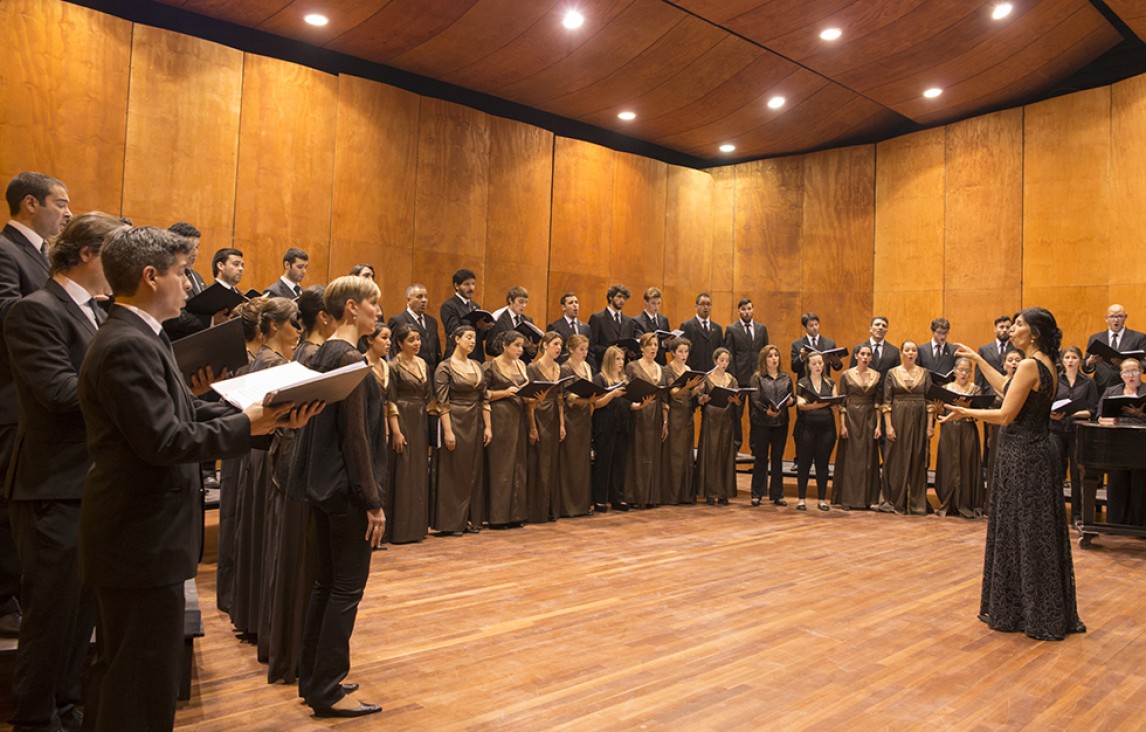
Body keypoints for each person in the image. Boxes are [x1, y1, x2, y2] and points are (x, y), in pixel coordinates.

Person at [78, 227, 314, 731]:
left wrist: (254, 413)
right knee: (136, 675)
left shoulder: (143, 335)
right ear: (150, 276)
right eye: (182, 272)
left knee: (137, 670)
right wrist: (247, 422)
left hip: (145, 534)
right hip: (138, 534)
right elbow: (165, 442)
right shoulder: (127, 344)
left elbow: (182, 413)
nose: (189, 285)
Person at [4, 212, 123, 732]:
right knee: (50, 619)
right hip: (52, 484)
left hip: (89, 482)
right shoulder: (36, 310)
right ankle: (34, 718)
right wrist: (131, 390)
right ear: (89, 253)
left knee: (81, 617)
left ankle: (66, 705)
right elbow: (56, 392)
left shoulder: (95, 313)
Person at [943, 307, 1085, 641]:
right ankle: (1037, 607)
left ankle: (1020, 610)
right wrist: (979, 360)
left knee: (1019, 531)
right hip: (1037, 454)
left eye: (1019, 325)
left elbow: (1006, 414)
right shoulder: (1045, 364)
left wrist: (966, 411)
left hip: (1021, 457)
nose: (1012, 329)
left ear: (1033, 333)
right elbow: (1009, 387)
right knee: (1035, 533)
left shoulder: (1029, 364)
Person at [287, 275, 385, 718]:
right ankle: (328, 689)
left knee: (326, 585)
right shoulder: (349, 359)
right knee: (346, 589)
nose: (378, 312)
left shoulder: (325, 351)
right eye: (373, 304)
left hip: (322, 487)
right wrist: (372, 501)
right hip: (346, 492)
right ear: (351, 308)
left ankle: (315, 679)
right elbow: (356, 439)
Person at [0, 172, 71, 637]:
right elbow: (7, 311)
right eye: (59, 203)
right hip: (13, 397)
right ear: (30, 203)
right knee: (8, 509)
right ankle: (5, 597)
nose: (67, 213)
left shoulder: (40, 255)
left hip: (36, 397)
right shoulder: (5, 251)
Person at [263, 289, 332, 686]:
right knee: (301, 563)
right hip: (301, 470)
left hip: (296, 467)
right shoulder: (310, 356)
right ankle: (295, 657)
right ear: (323, 316)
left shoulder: (305, 353)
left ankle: (293, 653)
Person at [247, 298, 303, 670]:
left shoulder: (272, 360)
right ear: (272, 327)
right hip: (275, 455)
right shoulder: (272, 363)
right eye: (292, 323)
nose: (297, 330)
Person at [433, 325, 491, 534]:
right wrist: (447, 431)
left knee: (473, 469)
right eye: (468, 337)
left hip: (475, 420)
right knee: (454, 470)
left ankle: (470, 518)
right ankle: (451, 522)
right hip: (455, 419)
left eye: (474, 338)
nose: (472, 341)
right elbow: (442, 402)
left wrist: (488, 427)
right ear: (456, 339)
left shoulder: (477, 365)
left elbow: (484, 398)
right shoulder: (445, 367)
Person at [387, 322, 434, 542]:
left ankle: (417, 528)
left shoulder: (423, 363)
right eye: (411, 340)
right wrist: (396, 431)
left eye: (418, 339)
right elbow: (391, 401)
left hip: (420, 417)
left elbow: (428, 395)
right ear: (399, 343)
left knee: (418, 470)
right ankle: (400, 530)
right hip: (403, 416)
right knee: (404, 471)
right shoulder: (393, 366)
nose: (417, 344)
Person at [879, 341, 935, 515]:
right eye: (907, 350)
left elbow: (930, 402)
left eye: (913, 350)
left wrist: (930, 426)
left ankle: (916, 503)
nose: (910, 353)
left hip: (919, 420)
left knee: (918, 457)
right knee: (896, 459)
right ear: (901, 352)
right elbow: (886, 402)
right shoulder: (892, 373)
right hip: (898, 418)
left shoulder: (925, 373)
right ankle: (896, 500)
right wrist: (888, 426)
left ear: (917, 354)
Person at [482, 330, 530, 529]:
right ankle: (498, 516)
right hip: (499, 416)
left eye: (521, 346)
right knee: (501, 465)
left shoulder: (521, 365)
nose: (520, 350)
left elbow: (525, 389)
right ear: (504, 345)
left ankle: (516, 514)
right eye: (516, 345)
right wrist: (504, 392)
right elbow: (482, 393)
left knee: (518, 464)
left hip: (518, 416)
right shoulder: (490, 365)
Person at [1049, 345, 1098, 517]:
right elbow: (1049, 405)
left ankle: (1078, 514)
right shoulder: (1056, 380)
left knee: (1077, 474)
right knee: (1056, 471)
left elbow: (1093, 410)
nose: (1070, 361)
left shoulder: (1089, 382)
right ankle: (1056, 512)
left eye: (1074, 357)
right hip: (1056, 430)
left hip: (1078, 431)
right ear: (1062, 361)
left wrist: (1073, 412)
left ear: (1080, 361)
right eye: (1067, 357)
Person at [1097, 358, 1146, 526]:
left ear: (1141, 372)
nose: (1130, 375)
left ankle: (1140, 525)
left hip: (1142, 444)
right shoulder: (1112, 391)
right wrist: (1108, 421)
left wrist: (1141, 415)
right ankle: (1115, 523)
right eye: (1126, 371)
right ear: (1121, 375)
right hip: (1117, 444)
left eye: (1134, 371)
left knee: (1140, 484)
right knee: (1117, 482)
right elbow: (1099, 417)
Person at [833, 343, 881, 511]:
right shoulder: (846, 375)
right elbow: (842, 403)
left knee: (868, 459)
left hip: (870, 418)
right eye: (863, 354)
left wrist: (879, 426)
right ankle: (848, 499)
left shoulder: (877, 376)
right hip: (852, 417)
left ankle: (869, 499)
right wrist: (843, 425)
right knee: (852, 459)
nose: (866, 357)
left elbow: (878, 403)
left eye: (869, 354)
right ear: (856, 356)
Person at [934, 357, 984, 518]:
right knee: (948, 464)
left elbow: (977, 416)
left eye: (967, 371)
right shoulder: (946, 388)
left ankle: (966, 502)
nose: (964, 373)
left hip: (967, 430)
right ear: (954, 371)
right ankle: (948, 502)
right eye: (961, 370)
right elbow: (940, 415)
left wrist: (967, 409)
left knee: (966, 463)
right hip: (948, 431)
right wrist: (938, 409)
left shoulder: (975, 389)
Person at [526, 332, 566, 522]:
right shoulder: (533, 368)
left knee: (553, 463)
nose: (559, 348)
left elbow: (559, 398)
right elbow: (529, 400)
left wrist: (562, 424)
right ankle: (536, 510)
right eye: (555, 344)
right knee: (538, 462)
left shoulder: (559, 368)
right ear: (545, 345)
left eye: (561, 344)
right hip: (538, 413)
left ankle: (551, 509)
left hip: (553, 416)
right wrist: (532, 427)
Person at [624, 332, 667, 508]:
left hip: (656, 414)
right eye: (649, 345)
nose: (653, 348)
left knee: (653, 453)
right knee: (638, 452)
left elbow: (664, 398)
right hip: (639, 413)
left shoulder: (661, 368)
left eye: (656, 345)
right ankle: (636, 495)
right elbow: (628, 393)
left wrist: (666, 421)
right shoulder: (632, 367)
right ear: (641, 348)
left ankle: (652, 496)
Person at [359, 321, 393, 539]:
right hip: (366, 420)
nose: (388, 342)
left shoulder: (387, 366)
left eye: (390, 338)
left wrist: (390, 429)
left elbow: (389, 402)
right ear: (370, 339)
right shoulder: (360, 363)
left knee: (380, 472)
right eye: (384, 338)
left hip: (382, 422)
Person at [749, 345, 793, 507]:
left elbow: (791, 396)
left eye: (776, 355)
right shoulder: (758, 377)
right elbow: (755, 400)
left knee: (777, 458)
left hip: (780, 422)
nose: (774, 358)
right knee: (761, 458)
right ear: (764, 359)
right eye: (770, 356)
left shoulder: (785, 377)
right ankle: (757, 494)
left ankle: (777, 494)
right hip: (762, 422)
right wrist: (766, 411)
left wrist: (791, 401)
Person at [697, 347, 741, 505]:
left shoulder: (732, 379)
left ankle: (724, 493)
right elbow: (699, 398)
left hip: (726, 420)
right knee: (711, 453)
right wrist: (703, 398)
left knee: (724, 453)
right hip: (711, 419)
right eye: (721, 360)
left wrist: (736, 401)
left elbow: (738, 401)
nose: (724, 363)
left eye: (727, 361)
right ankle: (710, 492)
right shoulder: (707, 377)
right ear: (715, 361)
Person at [663, 337, 703, 505]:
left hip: (687, 412)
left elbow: (688, 395)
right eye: (680, 351)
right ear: (672, 352)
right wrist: (689, 386)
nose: (683, 354)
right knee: (674, 453)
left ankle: (685, 494)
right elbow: (674, 393)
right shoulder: (668, 369)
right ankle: (672, 495)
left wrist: (697, 389)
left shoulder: (688, 368)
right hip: (674, 414)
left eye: (686, 351)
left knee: (686, 453)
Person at [724, 297, 768, 449]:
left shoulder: (761, 329)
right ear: (739, 311)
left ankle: (756, 448)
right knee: (736, 414)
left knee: (757, 415)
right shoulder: (731, 329)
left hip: (758, 379)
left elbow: (765, 353)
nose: (746, 312)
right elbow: (729, 355)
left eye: (749, 308)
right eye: (743, 309)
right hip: (739, 379)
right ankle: (735, 446)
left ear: (753, 309)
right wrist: (733, 379)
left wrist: (764, 376)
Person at [794, 352, 836, 511]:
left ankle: (821, 499)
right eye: (814, 363)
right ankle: (801, 499)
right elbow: (800, 404)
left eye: (820, 363)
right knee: (804, 463)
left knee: (822, 464)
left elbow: (834, 399)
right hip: (807, 427)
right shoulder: (803, 382)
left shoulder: (830, 382)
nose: (818, 366)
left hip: (826, 428)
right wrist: (815, 406)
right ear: (808, 366)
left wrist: (836, 405)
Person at [591, 346, 630, 513]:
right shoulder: (600, 379)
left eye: (622, 359)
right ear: (609, 360)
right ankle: (600, 499)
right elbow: (597, 403)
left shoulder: (625, 380)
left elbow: (629, 403)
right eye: (617, 359)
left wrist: (641, 404)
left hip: (623, 424)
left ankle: (617, 497)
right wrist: (612, 394)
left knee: (619, 463)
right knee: (603, 463)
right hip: (605, 425)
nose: (621, 362)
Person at [559, 334, 594, 517]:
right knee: (570, 461)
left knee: (582, 461)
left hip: (584, 417)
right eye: (581, 349)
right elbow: (566, 395)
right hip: (571, 417)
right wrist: (586, 399)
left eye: (586, 349)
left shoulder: (587, 367)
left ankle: (582, 504)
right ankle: (568, 506)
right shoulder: (565, 368)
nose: (584, 353)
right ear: (571, 349)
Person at [160, 222, 214, 340]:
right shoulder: (166, 274)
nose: (195, 253)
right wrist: (211, 320)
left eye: (197, 247)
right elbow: (172, 317)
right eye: (190, 247)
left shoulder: (197, 276)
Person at [1084, 304, 1146, 393]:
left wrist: (1126, 364)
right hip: (1100, 387)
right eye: (1112, 316)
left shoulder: (1139, 338)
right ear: (1106, 318)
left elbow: (1145, 364)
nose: (1116, 320)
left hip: (1127, 388)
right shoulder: (1095, 338)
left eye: (1120, 316)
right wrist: (1089, 363)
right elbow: (1085, 367)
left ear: (1125, 317)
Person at [439, 268, 491, 361]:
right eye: (466, 284)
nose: (471, 288)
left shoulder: (475, 306)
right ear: (456, 286)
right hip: (458, 357)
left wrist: (486, 328)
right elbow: (454, 331)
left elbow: (479, 336)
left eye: (473, 284)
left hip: (476, 357)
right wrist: (476, 325)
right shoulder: (449, 306)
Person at [388, 283, 441, 371]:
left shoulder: (432, 321)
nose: (424, 300)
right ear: (408, 300)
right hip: (408, 371)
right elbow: (392, 349)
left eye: (426, 297)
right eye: (419, 297)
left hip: (431, 372)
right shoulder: (397, 320)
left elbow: (437, 349)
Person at [487, 285, 539, 362]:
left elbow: (533, 354)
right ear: (511, 300)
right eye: (521, 302)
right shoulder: (499, 319)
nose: (524, 305)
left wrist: (531, 349)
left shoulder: (528, 320)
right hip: (504, 363)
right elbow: (489, 347)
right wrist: (509, 350)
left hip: (523, 364)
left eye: (526, 302)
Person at [588, 283, 632, 367]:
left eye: (624, 298)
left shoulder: (628, 321)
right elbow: (592, 346)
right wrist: (611, 351)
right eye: (619, 297)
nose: (622, 300)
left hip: (622, 367)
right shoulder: (597, 318)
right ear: (610, 297)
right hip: (604, 365)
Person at [791, 312, 842, 381]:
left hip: (824, 383)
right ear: (805, 327)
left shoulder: (829, 343)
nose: (815, 328)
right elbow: (794, 368)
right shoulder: (797, 344)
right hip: (805, 384)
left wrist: (836, 361)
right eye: (811, 326)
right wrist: (801, 357)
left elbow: (837, 368)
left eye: (816, 324)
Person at [680, 292, 723, 372]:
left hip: (712, 372)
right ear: (696, 306)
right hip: (694, 371)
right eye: (702, 304)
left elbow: (720, 352)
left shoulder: (717, 328)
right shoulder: (687, 326)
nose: (705, 307)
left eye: (708, 304)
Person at [975, 315, 1015, 393]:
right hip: (989, 393)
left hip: (1011, 392)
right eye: (1001, 327)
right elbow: (979, 376)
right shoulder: (984, 350)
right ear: (995, 329)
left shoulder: (1017, 349)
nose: (1004, 330)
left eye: (1007, 327)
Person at [630, 287, 671, 364]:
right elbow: (642, 344)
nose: (656, 306)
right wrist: (662, 343)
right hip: (645, 362)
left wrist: (669, 342)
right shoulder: (637, 321)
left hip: (661, 363)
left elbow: (667, 347)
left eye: (659, 303)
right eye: (653, 303)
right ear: (646, 302)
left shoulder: (663, 319)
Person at [547, 292, 589, 365]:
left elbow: (590, 351)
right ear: (563, 307)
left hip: (582, 367)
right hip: (562, 366)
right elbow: (552, 351)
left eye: (576, 302)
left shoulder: (586, 327)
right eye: (570, 303)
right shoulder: (555, 326)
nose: (575, 305)